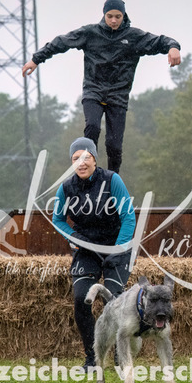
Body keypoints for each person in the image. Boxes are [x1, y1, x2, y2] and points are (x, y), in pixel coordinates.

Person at [22, 0, 181, 174]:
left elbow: (159, 41)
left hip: (118, 96)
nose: (113, 21)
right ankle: (88, 172)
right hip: (94, 91)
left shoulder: (134, 37)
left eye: (118, 17)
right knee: (93, 127)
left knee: (114, 145)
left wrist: (173, 47)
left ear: (123, 16)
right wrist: (36, 59)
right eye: (110, 16)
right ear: (104, 15)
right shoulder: (90, 33)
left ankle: (113, 179)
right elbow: (62, 42)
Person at [52, 137, 136, 371]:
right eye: (75, 159)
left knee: (115, 299)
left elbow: (128, 217)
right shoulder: (65, 188)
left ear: (95, 159)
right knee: (81, 299)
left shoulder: (112, 180)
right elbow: (57, 219)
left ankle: (121, 355)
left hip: (116, 247)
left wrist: (118, 249)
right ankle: (93, 359)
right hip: (87, 250)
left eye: (86, 157)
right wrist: (74, 237)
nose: (81, 163)